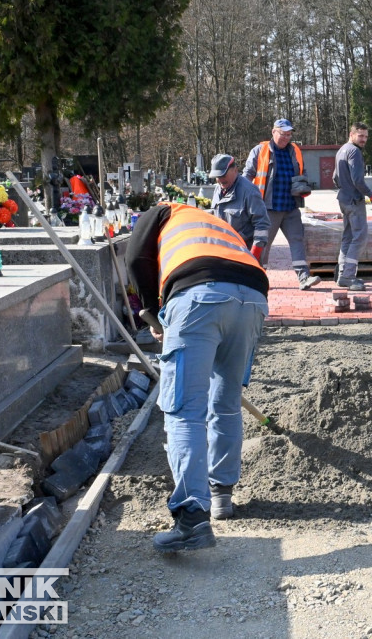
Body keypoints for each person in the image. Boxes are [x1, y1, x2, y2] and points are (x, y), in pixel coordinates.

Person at [126, 201, 269, 552]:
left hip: (198, 297)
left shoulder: (160, 211)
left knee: (185, 410)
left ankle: (192, 518)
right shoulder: (212, 224)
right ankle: (221, 495)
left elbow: (135, 259)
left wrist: (152, 314)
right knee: (227, 402)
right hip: (252, 298)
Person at [243, 118, 321, 290]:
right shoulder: (260, 150)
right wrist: (248, 201)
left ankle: (303, 277)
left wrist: (303, 185)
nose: (286, 138)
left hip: (290, 206)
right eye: (283, 134)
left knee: (297, 240)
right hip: (267, 208)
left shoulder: (294, 151)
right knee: (263, 244)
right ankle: (257, 279)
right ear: (273, 132)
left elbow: (302, 171)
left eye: (289, 134)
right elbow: (247, 176)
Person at [333, 122, 372, 291]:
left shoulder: (342, 150)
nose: (364, 139)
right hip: (354, 200)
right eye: (360, 136)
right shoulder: (354, 152)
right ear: (351, 134)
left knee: (348, 237)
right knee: (359, 237)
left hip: (344, 199)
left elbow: (335, 177)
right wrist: (371, 195)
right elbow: (358, 180)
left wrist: (345, 189)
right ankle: (348, 276)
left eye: (366, 136)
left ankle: (342, 276)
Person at [209, 153, 270, 256]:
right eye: (217, 177)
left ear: (235, 170)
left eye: (223, 175)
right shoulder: (218, 189)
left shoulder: (249, 192)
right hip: (224, 251)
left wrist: (254, 254)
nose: (220, 180)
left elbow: (262, 225)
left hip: (244, 252)